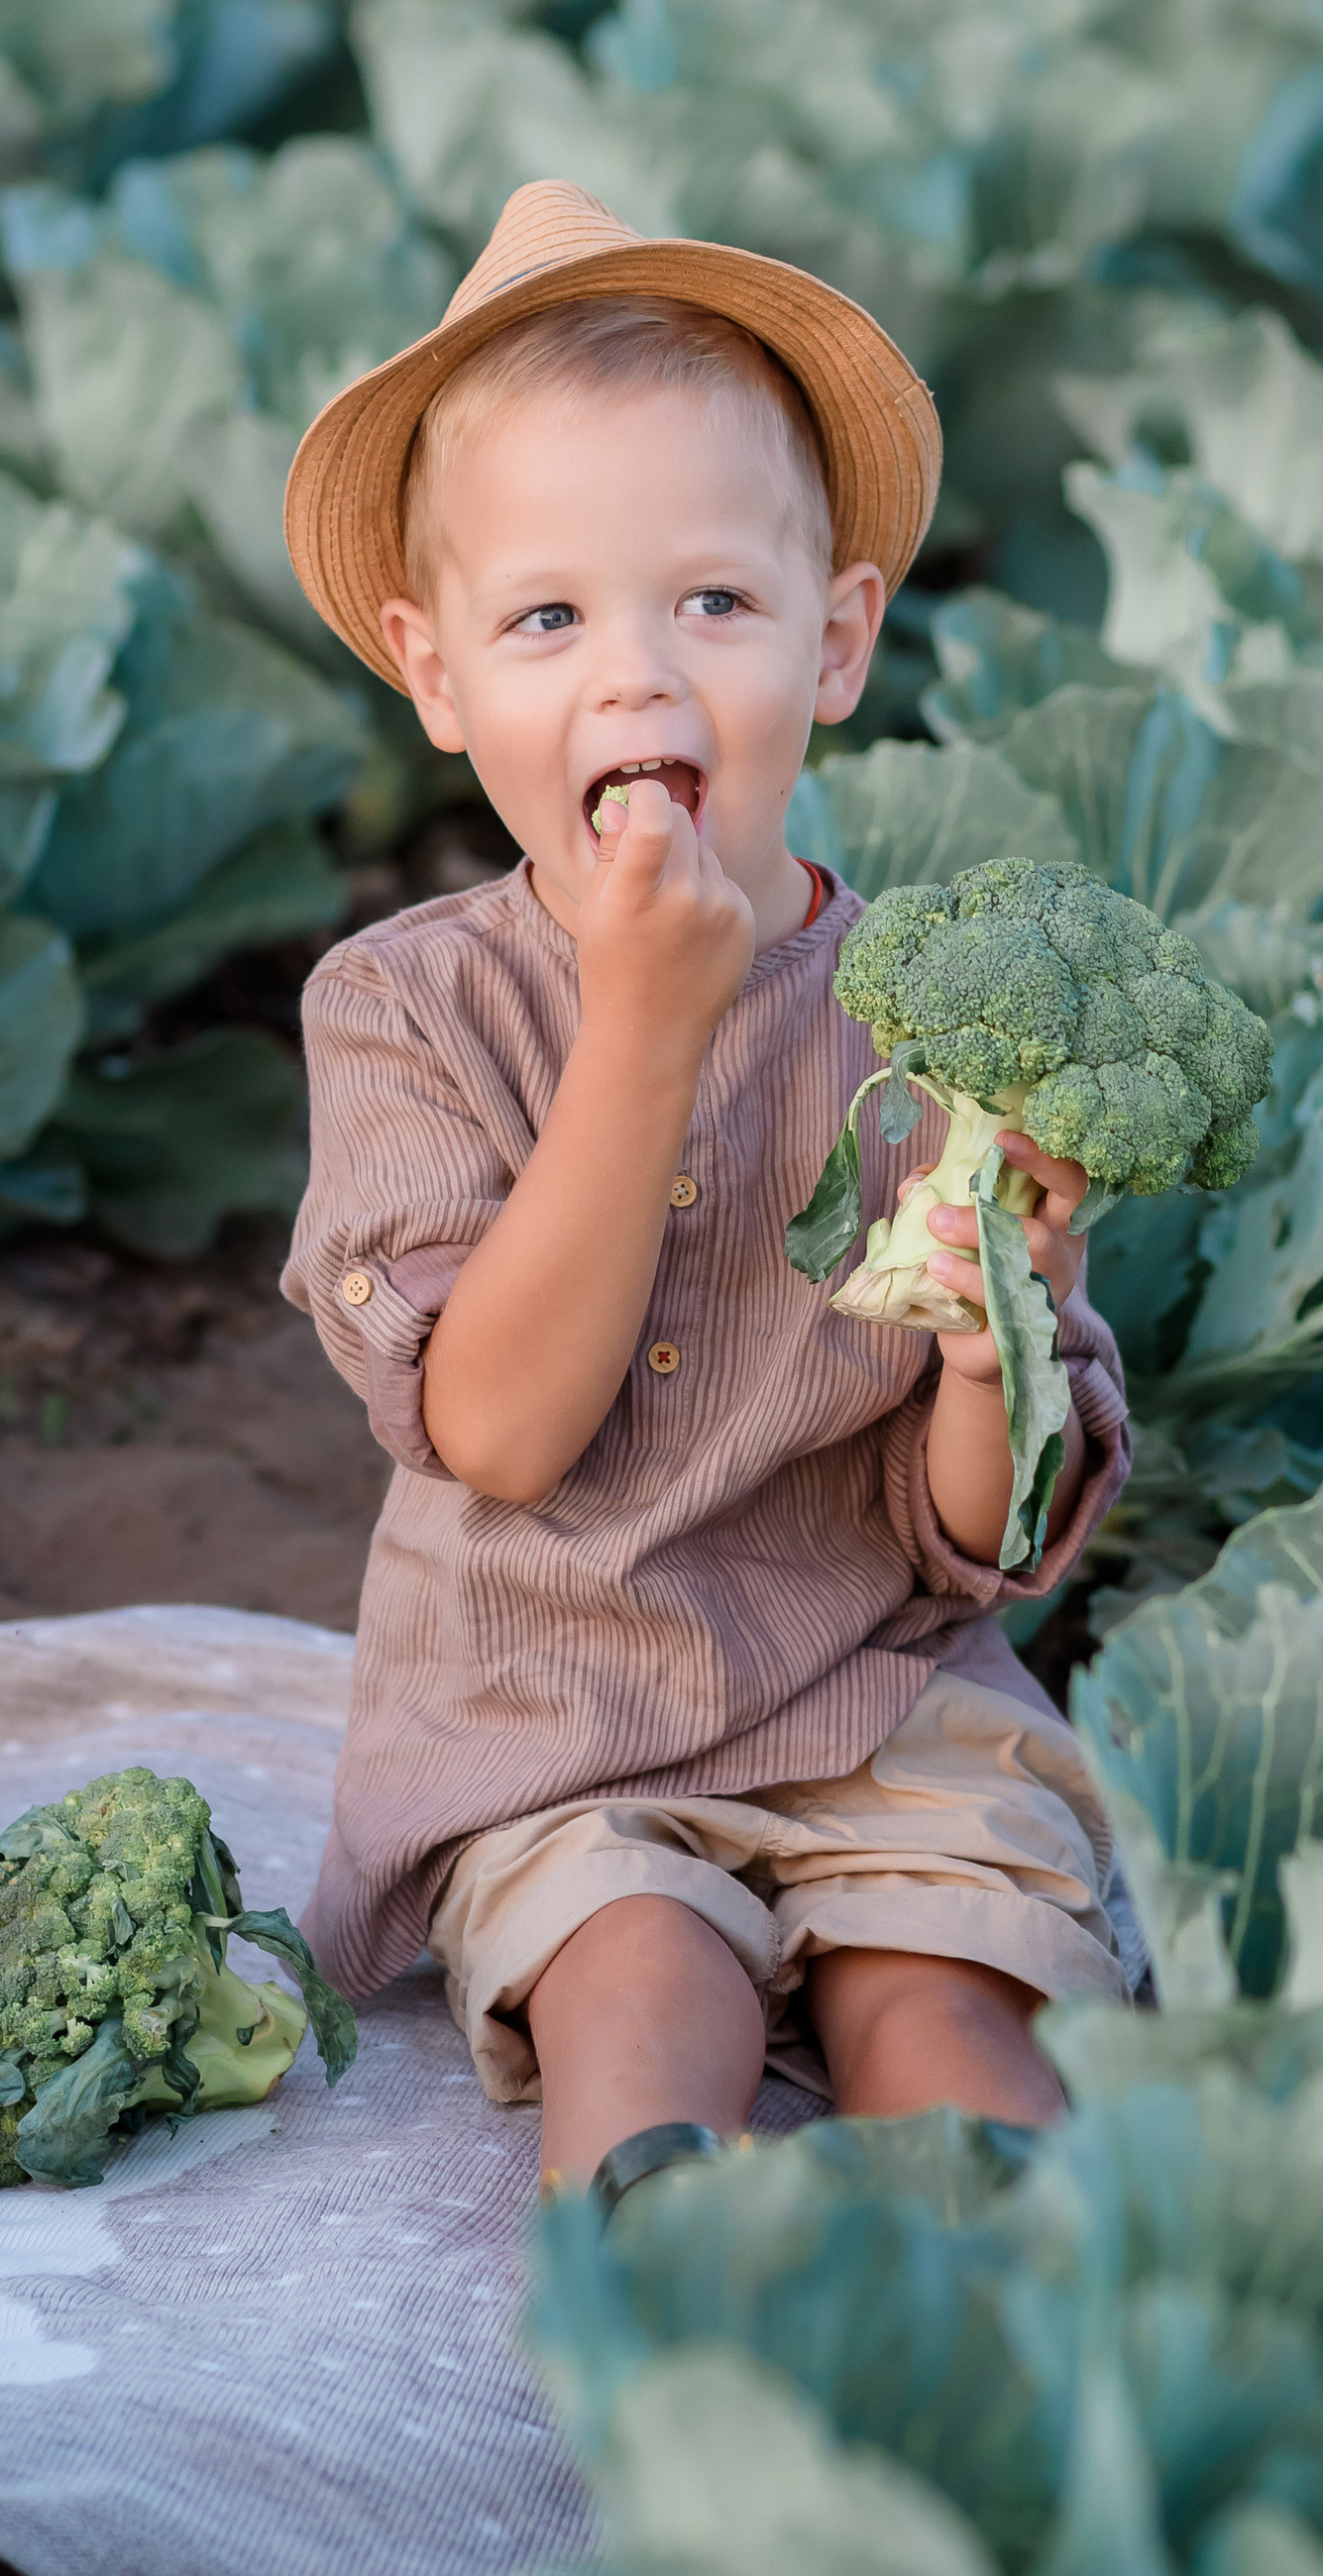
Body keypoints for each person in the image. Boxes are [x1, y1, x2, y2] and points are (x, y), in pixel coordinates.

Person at [279, 179, 1142, 2215]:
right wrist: (642, 1032)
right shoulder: (403, 1006)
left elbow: (981, 1541)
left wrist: (983, 1340)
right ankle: (662, 2288)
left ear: (835, 643)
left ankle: (1053, 2314)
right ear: (434, 673)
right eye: (548, 618)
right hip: (550, 1716)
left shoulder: (935, 1023)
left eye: (714, 606)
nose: (634, 681)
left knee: (939, 2002)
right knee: (633, 1971)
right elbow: (493, 1426)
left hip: (877, 1695)